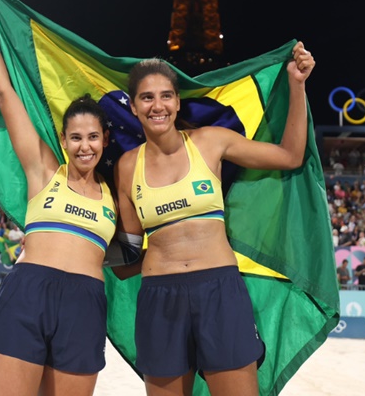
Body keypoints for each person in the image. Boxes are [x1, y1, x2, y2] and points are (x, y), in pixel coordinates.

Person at [114, 41, 314, 395]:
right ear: (133, 106)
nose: (157, 105)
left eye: (165, 96)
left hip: (220, 291)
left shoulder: (212, 142)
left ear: (177, 101)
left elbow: (290, 155)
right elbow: (124, 261)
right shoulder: (128, 166)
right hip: (159, 297)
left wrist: (296, 85)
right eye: (146, 98)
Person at [0, 0, 123, 394]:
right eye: (76, 137)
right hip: (28, 293)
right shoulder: (44, 171)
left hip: (85, 305)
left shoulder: (118, 195)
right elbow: (4, 93)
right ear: (64, 141)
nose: (85, 146)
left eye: (92, 137)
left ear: (105, 139)